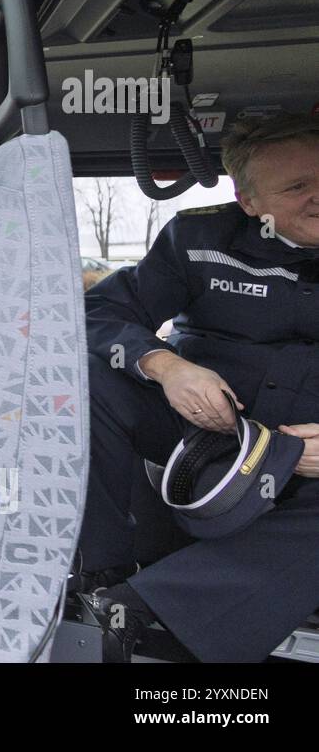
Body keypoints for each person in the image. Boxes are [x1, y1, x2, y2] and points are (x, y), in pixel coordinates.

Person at [77, 112, 319, 662]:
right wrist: (165, 366)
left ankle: (150, 616)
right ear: (249, 201)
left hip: (308, 460)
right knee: (84, 379)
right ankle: (98, 580)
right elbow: (99, 312)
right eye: (298, 186)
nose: (318, 197)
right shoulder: (199, 237)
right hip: (203, 432)